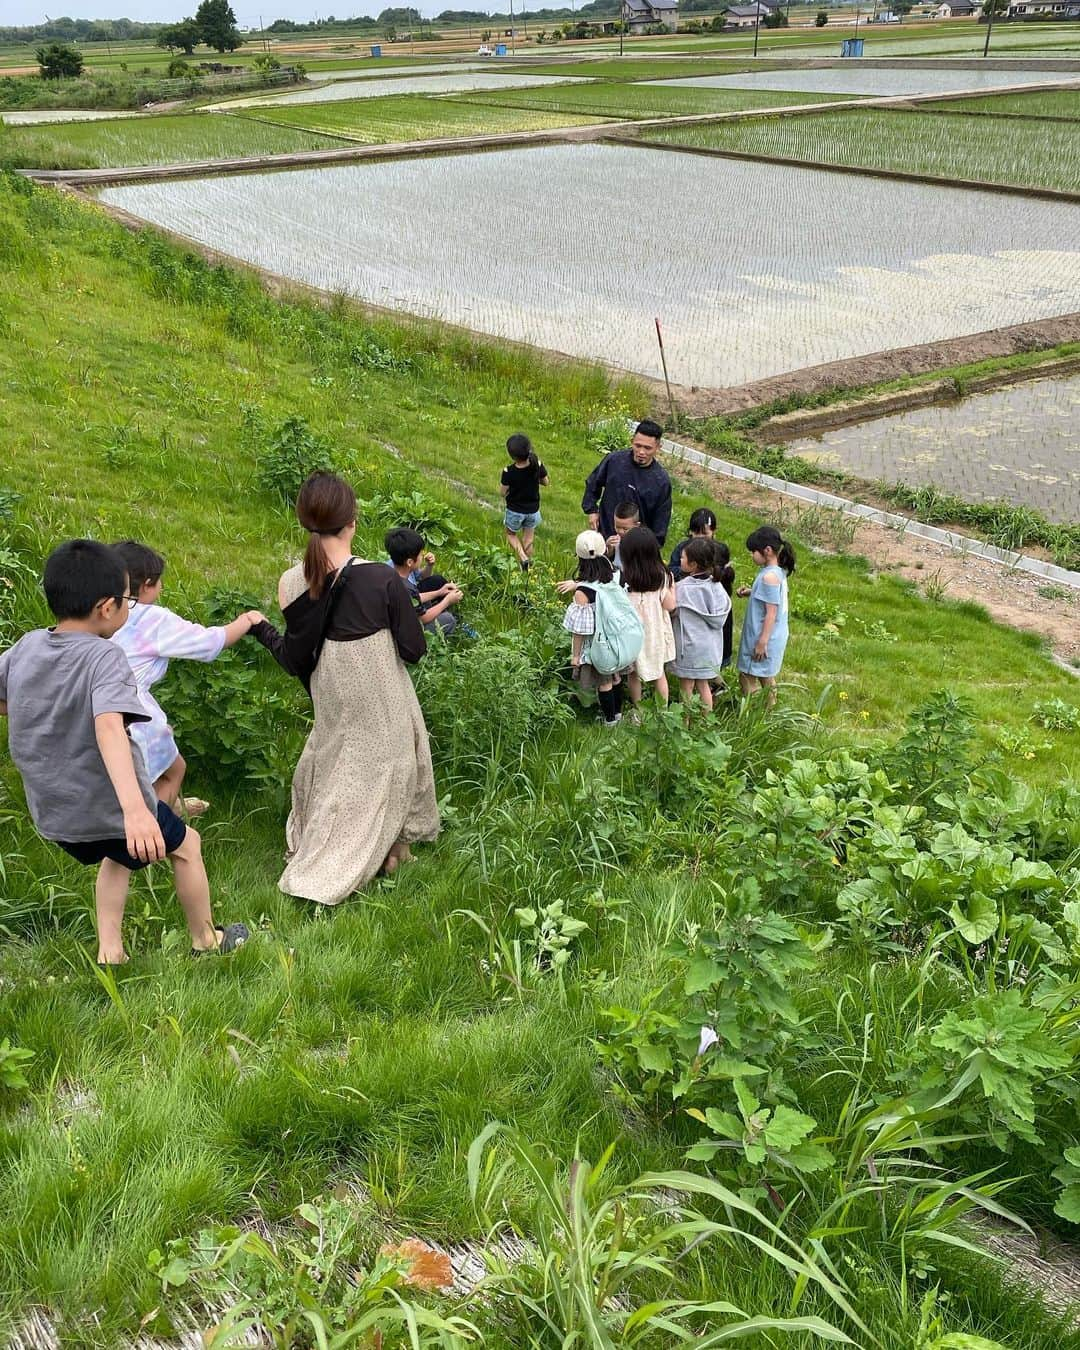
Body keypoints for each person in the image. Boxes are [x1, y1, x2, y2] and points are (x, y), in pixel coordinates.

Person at [0, 540, 248, 965]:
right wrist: (135, 810)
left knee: (119, 855)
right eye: (125, 602)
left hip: (54, 812)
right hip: (108, 807)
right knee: (187, 844)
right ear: (105, 607)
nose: (129, 610)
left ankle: (110, 951)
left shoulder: (26, 647)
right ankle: (207, 941)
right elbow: (110, 728)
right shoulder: (105, 657)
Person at [252, 473, 439, 904]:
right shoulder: (381, 579)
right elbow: (414, 650)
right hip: (379, 691)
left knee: (339, 761)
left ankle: (345, 839)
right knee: (394, 759)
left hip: (332, 694)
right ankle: (392, 845)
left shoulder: (290, 582)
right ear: (352, 521)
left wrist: (260, 630)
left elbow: (296, 658)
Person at [111, 540, 264, 817]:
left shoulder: (101, 611)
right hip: (130, 712)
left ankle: (158, 807)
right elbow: (208, 644)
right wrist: (247, 620)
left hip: (89, 708)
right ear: (146, 584)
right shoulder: (153, 620)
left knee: (133, 772)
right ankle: (151, 828)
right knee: (174, 769)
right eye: (159, 582)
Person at [561, 529, 625, 727]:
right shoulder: (616, 575)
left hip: (598, 645)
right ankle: (618, 713)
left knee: (604, 682)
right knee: (616, 677)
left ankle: (609, 720)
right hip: (617, 637)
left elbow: (581, 630)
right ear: (605, 549)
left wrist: (576, 655)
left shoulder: (583, 593)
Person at [582, 420, 672, 546]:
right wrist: (591, 510)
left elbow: (660, 523)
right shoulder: (614, 461)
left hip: (635, 548)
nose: (641, 452)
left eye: (647, 448)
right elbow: (593, 483)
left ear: (658, 447)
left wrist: (649, 549)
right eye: (638, 445)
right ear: (631, 441)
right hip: (604, 533)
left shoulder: (661, 481)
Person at [668, 536, 731, 710]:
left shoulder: (682, 588)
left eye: (682, 557)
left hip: (688, 649)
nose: (679, 560)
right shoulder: (718, 587)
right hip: (709, 650)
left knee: (686, 688)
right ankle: (706, 724)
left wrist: (672, 588)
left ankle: (685, 724)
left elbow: (671, 609)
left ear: (693, 564)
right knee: (704, 686)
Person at [736, 525, 795, 708]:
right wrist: (751, 592)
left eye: (753, 551)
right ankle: (770, 712)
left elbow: (771, 612)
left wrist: (762, 642)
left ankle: (751, 715)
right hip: (776, 636)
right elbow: (773, 599)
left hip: (762, 637)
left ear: (767, 551)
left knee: (746, 676)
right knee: (766, 675)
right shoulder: (778, 573)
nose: (751, 555)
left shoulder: (769, 578)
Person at [619, 526, 676, 707]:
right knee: (659, 673)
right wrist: (672, 589)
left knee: (633, 673)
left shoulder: (625, 577)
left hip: (633, 634)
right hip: (656, 633)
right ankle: (663, 711)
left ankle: (639, 709)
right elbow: (670, 605)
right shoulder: (662, 576)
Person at [386, 527, 463, 636]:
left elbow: (415, 597)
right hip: (403, 633)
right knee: (448, 620)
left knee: (427, 599)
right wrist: (447, 601)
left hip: (395, 621)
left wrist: (439, 592)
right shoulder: (406, 587)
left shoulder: (390, 573)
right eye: (420, 554)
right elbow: (423, 618)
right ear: (409, 562)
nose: (422, 556)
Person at [500, 433, 549, 570]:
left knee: (511, 534)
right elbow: (546, 482)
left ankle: (523, 558)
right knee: (528, 540)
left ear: (512, 455)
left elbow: (502, 492)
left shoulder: (508, 471)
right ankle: (529, 570)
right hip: (533, 510)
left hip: (515, 510)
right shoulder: (537, 463)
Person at [668, 508, 718, 582]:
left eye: (705, 533)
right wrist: (686, 569)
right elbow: (671, 569)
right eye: (697, 533)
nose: (700, 537)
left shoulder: (718, 550)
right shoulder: (683, 547)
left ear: (713, 531)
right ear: (691, 531)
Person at [712, 539, 737, 672]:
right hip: (723, 647)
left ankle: (717, 686)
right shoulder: (723, 582)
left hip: (714, 649)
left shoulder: (712, 587)